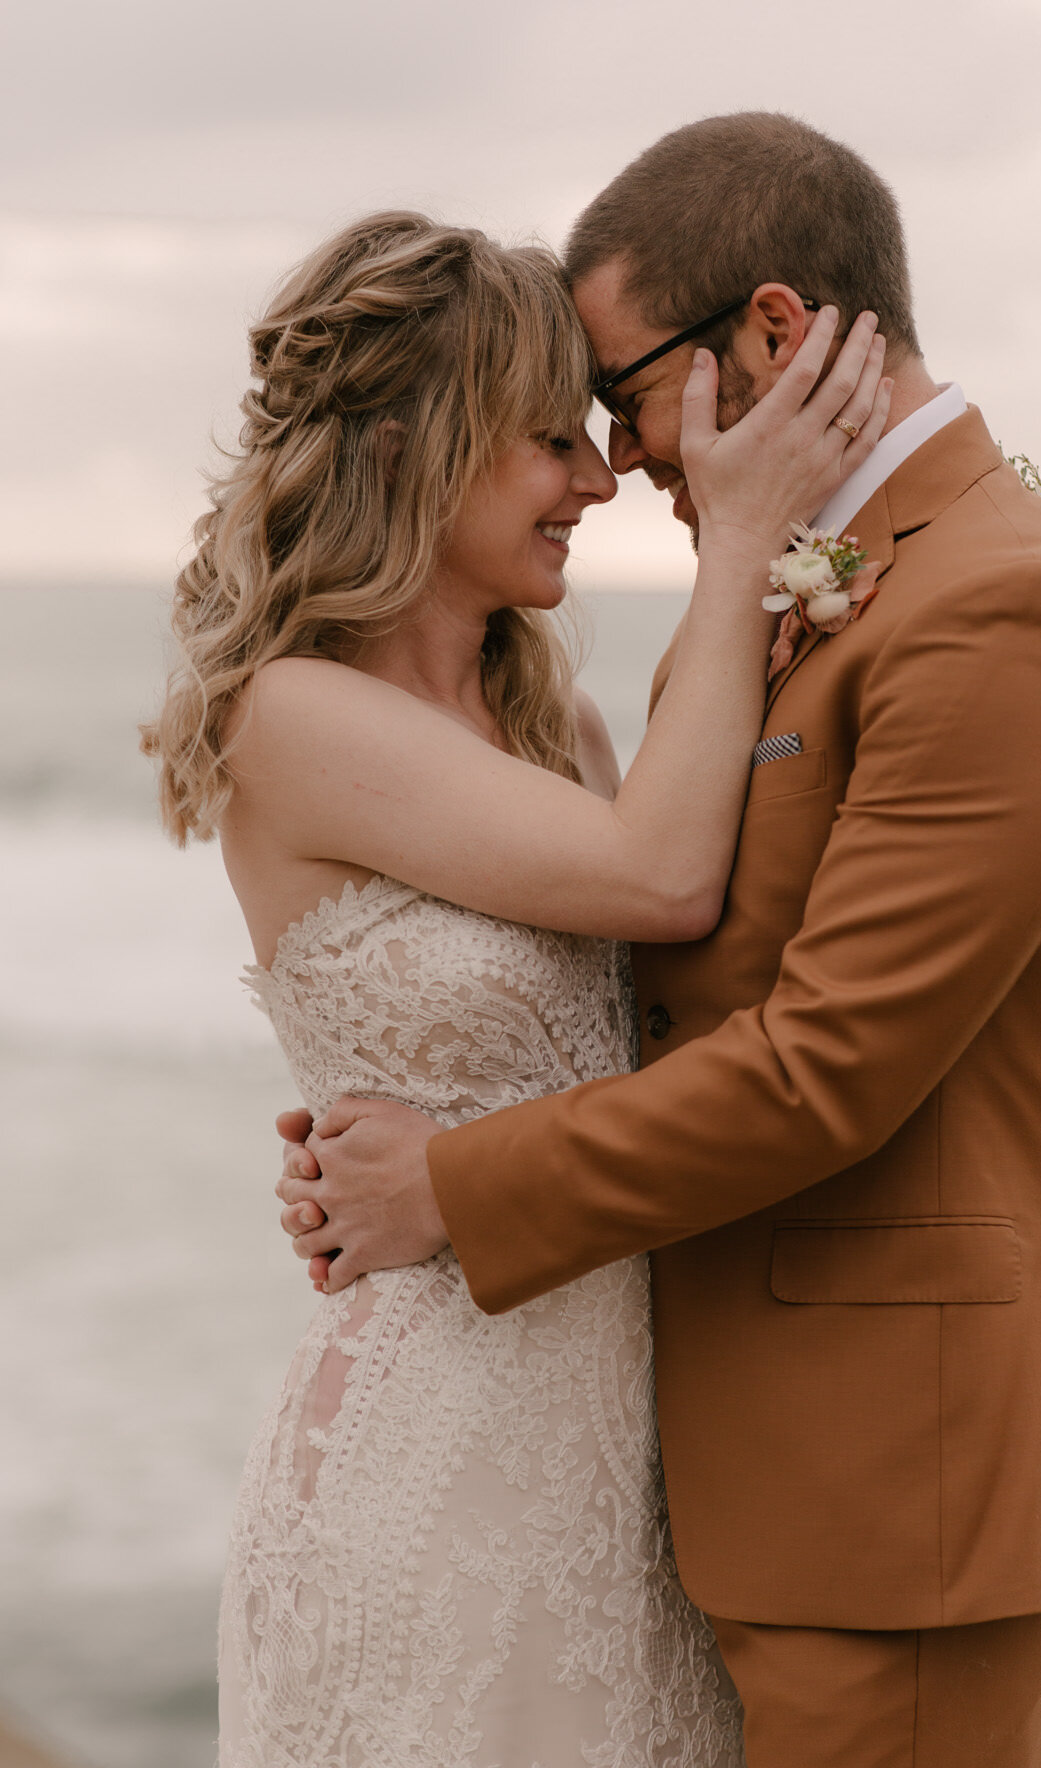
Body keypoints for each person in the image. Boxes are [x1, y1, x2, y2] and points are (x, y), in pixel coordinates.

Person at [275, 114, 1041, 1768]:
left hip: (892, 1490)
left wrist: (451, 1187)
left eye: (625, 396)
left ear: (770, 330)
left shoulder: (996, 604)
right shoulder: (788, 591)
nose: (623, 462)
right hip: (736, 1468)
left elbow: (829, 1067)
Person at [143, 206, 892, 1766]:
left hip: (624, 1468)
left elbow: (695, 1007)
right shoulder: (293, 716)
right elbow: (664, 884)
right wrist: (747, 539)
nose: (601, 480)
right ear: (423, 444)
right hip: (429, 1470)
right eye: (551, 440)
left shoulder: (568, 746)